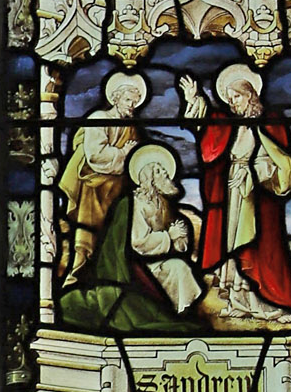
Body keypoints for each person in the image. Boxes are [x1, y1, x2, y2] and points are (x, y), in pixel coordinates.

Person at [183, 62, 291, 324]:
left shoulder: (269, 122)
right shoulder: (233, 124)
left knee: (261, 248)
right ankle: (239, 300)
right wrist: (195, 101)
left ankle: (267, 303)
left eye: (236, 97)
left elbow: (279, 160)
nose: (232, 103)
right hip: (234, 193)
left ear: (250, 94)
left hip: (260, 198)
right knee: (233, 246)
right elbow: (209, 134)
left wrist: (252, 172)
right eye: (229, 98)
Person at [57, 142, 200, 337]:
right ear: (148, 178)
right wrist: (169, 237)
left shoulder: (164, 204)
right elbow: (138, 243)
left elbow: (180, 239)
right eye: (161, 172)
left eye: (165, 171)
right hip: (134, 266)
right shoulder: (134, 203)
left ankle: (182, 312)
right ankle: (177, 314)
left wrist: (179, 239)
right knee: (177, 269)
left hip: (156, 261)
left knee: (180, 267)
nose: (167, 176)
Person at [56, 71, 145, 280]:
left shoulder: (130, 127)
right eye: (128, 100)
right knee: (87, 235)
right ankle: (75, 276)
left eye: (135, 102)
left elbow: (136, 158)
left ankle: (103, 276)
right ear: (115, 99)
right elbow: (96, 156)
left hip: (115, 187)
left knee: (111, 234)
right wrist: (124, 153)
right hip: (91, 184)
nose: (131, 105)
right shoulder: (98, 119)